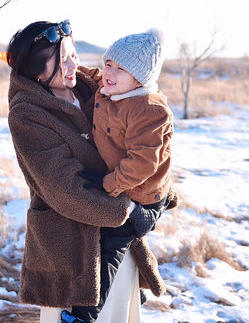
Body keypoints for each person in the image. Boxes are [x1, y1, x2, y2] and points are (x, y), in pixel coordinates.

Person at [5, 20, 166, 323]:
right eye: (63, 58)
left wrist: (157, 191)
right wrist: (131, 211)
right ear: (36, 69)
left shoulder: (91, 88)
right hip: (73, 257)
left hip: (119, 247)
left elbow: (143, 138)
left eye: (74, 54)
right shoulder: (28, 114)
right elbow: (66, 192)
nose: (73, 64)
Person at [62, 32, 173, 323]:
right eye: (108, 62)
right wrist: (69, 68)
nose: (109, 72)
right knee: (101, 236)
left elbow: (142, 163)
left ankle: (85, 315)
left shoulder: (149, 110)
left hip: (142, 196)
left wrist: (108, 186)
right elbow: (94, 75)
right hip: (125, 185)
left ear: (140, 77)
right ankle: (136, 290)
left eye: (120, 68)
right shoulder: (112, 86)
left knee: (110, 243)